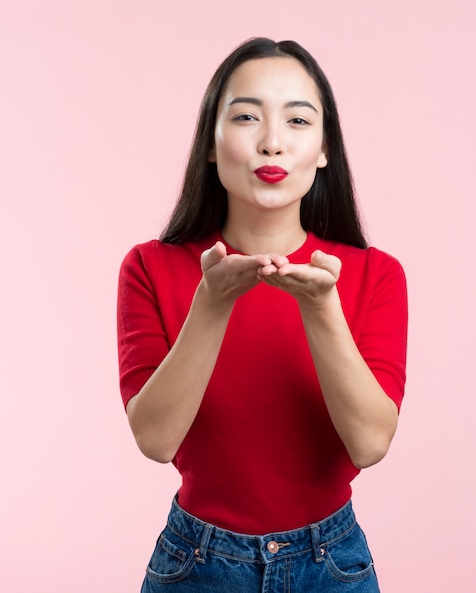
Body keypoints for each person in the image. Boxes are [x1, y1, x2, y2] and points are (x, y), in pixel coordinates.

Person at [117, 37, 408, 592]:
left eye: (298, 121)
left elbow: (370, 444)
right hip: (196, 565)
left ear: (324, 148)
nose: (272, 142)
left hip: (332, 566)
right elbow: (155, 439)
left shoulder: (375, 275)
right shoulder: (149, 268)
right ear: (211, 142)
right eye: (247, 116)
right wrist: (212, 303)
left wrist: (322, 307)